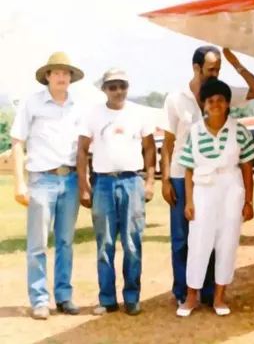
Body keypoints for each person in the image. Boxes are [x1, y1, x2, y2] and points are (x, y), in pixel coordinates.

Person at [161, 46, 254, 307]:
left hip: (217, 182)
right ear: (196, 68)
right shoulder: (175, 98)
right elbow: (168, 142)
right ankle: (183, 292)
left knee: (214, 235)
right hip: (181, 174)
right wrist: (164, 180)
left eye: (219, 68)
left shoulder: (221, 93)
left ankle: (209, 292)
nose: (216, 73)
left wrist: (237, 64)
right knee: (182, 239)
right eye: (211, 69)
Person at [76, 68, 156, 316]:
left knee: (132, 243)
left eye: (122, 86)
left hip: (132, 181)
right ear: (104, 89)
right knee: (105, 244)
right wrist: (84, 185)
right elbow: (81, 151)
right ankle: (107, 299)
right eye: (112, 87)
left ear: (128, 87)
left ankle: (132, 297)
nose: (118, 91)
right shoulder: (93, 115)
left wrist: (150, 182)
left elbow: (150, 149)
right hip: (103, 183)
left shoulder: (139, 113)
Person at [10, 52, 84, 320]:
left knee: (66, 242)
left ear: (71, 78)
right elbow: (17, 143)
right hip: (41, 179)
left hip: (71, 178)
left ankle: (64, 296)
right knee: (38, 244)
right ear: (48, 76)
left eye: (66, 72)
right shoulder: (32, 103)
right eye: (56, 72)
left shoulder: (78, 106)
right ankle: (40, 299)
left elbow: (85, 148)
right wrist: (19, 182)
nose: (62, 77)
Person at [175, 77, 254, 317]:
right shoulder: (196, 131)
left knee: (227, 242)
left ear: (228, 103)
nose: (216, 104)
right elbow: (188, 168)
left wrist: (249, 201)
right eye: (211, 101)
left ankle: (220, 298)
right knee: (199, 242)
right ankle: (191, 298)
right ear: (204, 104)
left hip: (231, 187)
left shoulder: (239, 130)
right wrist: (189, 201)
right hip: (203, 188)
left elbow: (247, 167)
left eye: (221, 100)